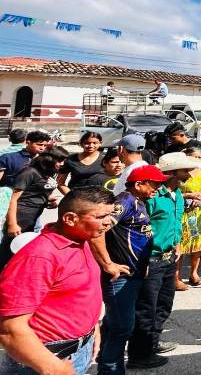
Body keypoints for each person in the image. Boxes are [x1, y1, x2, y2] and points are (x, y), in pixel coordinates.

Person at [0, 187, 116, 375]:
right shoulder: (40, 257)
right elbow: (10, 329)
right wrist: (53, 367)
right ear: (70, 219)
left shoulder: (80, 240)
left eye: (110, 215)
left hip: (77, 351)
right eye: (101, 217)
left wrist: (91, 328)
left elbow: (78, 293)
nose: (108, 222)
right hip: (45, 360)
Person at [90, 166, 163, 375]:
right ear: (138, 184)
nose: (158, 188)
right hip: (121, 277)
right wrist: (107, 264)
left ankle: (108, 365)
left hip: (135, 274)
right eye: (154, 183)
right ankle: (110, 370)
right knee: (121, 329)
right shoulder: (125, 201)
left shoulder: (140, 202)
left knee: (115, 326)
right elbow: (98, 230)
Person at [125, 152, 195, 369]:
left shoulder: (178, 195)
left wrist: (177, 245)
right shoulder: (154, 197)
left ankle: (152, 345)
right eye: (185, 171)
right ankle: (139, 354)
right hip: (151, 259)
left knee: (164, 305)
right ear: (172, 172)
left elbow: (175, 223)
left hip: (169, 259)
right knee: (146, 308)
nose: (189, 175)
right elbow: (140, 228)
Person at [1, 147, 67, 269]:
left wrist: (49, 201)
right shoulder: (30, 172)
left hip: (33, 218)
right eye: (60, 160)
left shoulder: (49, 172)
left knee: (21, 253)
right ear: (49, 159)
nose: (62, 164)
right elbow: (13, 199)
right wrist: (12, 223)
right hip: (20, 217)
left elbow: (37, 192)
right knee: (8, 253)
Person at [177, 149, 201, 288]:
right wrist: (190, 196)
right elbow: (172, 191)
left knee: (197, 241)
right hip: (183, 210)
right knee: (180, 242)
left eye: (200, 157)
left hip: (199, 211)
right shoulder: (180, 170)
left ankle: (194, 273)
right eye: (195, 157)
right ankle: (177, 277)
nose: (198, 159)